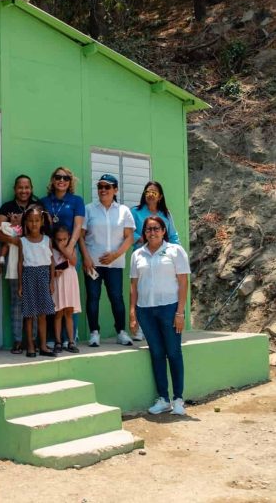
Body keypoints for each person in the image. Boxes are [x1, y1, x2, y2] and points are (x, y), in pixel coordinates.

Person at [129, 216, 190, 416]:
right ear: (144, 232)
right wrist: (133, 312)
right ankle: (163, 398)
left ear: (164, 231)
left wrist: (180, 312)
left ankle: (178, 399)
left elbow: (182, 282)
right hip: (145, 310)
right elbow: (133, 285)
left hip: (169, 308)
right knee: (156, 354)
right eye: (148, 229)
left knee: (173, 352)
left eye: (156, 228)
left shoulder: (175, 251)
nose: (152, 232)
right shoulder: (138, 254)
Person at [79, 174, 136, 347]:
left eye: (107, 187)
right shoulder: (89, 209)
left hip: (115, 264)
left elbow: (129, 238)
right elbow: (80, 237)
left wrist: (115, 255)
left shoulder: (124, 211)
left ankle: (121, 332)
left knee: (116, 298)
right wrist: (86, 259)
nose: (103, 190)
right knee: (93, 297)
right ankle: (94, 333)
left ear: (115, 190)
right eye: (100, 187)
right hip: (92, 264)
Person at [0, 175, 40, 353]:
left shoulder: (37, 206)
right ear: (15, 189)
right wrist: (14, 240)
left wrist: (21, 227)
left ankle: (33, 340)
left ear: (31, 188)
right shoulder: (7, 207)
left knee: (34, 302)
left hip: (35, 261)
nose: (24, 191)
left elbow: (41, 231)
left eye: (27, 187)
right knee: (17, 301)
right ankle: (18, 340)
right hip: (14, 262)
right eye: (20, 187)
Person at [130, 181, 180, 342]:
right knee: (141, 291)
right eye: (148, 191)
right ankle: (139, 327)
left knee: (160, 291)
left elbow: (173, 236)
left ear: (160, 196)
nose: (150, 194)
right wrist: (144, 241)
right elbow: (129, 232)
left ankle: (161, 327)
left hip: (163, 258)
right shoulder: (135, 212)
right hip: (143, 257)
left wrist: (176, 252)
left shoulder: (166, 214)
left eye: (154, 192)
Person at [40, 167, 85, 344]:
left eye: (66, 178)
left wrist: (69, 249)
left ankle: (70, 337)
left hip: (69, 251)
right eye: (58, 177)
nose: (62, 180)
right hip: (50, 252)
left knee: (69, 296)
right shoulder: (44, 201)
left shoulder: (76, 201)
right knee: (52, 295)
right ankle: (53, 337)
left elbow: (78, 227)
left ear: (70, 181)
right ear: (52, 180)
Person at [17, 205, 56, 358]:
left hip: (43, 276)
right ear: (26, 222)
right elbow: (20, 263)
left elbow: (52, 262)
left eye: (37, 221)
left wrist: (52, 282)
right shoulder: (23, 241)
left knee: (42, 314)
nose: (34, 224)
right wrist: (20, 284)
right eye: (30, 221)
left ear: (42, 222)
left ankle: (43, 345)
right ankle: (31, 346)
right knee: (29, 314)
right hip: (29, 276)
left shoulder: (47, 240)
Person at [51, 225, 81, 353]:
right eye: (59, 240)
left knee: (69, 312)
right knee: (58, 312)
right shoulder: (51, 250)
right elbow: (52, 267)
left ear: (69, 237)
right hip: (58, 282)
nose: (61, 242)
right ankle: (58, 341)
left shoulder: (71, 248)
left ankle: (71, 341)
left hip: (70, 281)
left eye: (64, 239)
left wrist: (64, 250)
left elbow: (73, 261)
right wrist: (55, 272)